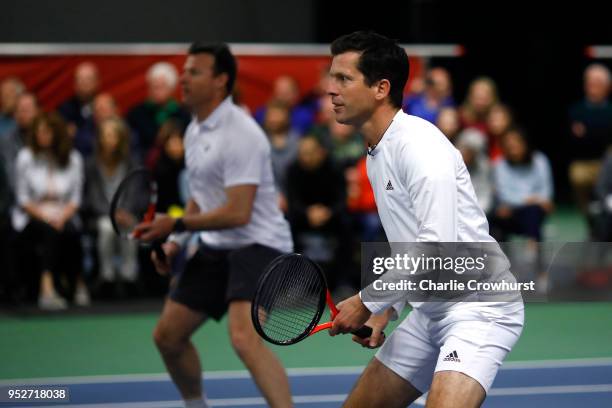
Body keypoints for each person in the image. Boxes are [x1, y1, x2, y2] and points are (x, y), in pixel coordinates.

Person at [326, 31, 524, 408]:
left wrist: (368, 300)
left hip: (478, 307)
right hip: (430, 312)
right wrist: (387, 309)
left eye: (344, 79)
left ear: (381, 88)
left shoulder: (419, 145)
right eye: (332, 78)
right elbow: (410, 243)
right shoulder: (376, 152)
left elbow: (435, 245)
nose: (331, 90)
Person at [132, 42, 293, 408]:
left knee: (244, 339)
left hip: (260, 245)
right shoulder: (193, 131)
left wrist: (173, 225)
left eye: (194, 72)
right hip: (217, 245)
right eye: (185, 71)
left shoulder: (242, 133)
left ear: (220, 81)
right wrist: (177, 240)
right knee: (168, 336)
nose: (184, 78)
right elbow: (201, 198)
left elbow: (239, 212)